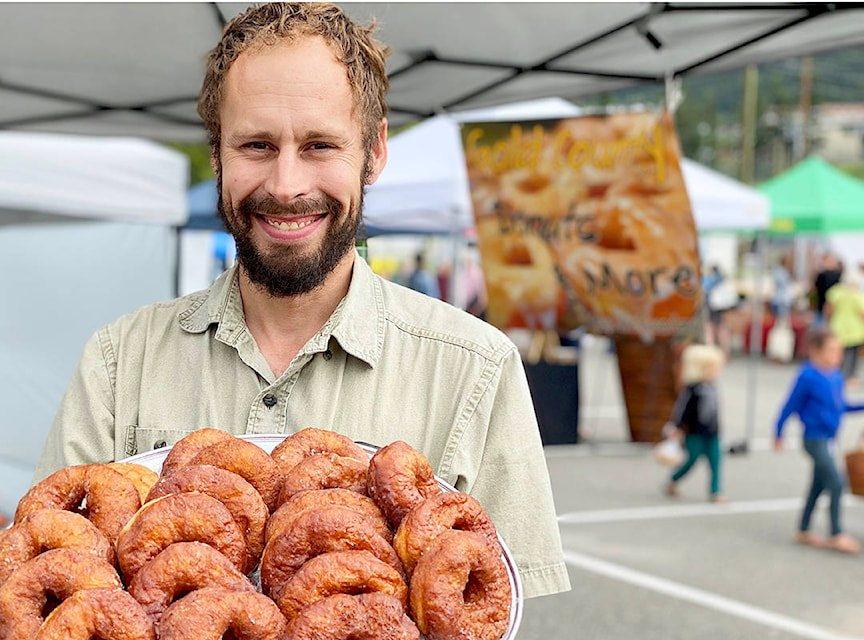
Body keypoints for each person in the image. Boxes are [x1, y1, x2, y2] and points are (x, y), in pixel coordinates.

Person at [33, 2, 569, 599]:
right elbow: (49, 579)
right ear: (217, 154)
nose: (287, 185)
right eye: (257, 145)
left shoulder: (474, 369)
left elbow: (495, 610)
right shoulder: (117, 363)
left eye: (320, 145)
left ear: (374, 151)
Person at [774, 327, 864, 554]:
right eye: (832, 351)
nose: (837, 356)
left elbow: (841, 405)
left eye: (839, 351)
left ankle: (803, 529)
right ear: (815, 351)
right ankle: (836, 533)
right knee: (835, 482)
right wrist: (778, 432)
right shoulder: (807, 376)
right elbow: (790, 404)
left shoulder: (836, 377)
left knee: (818, 486)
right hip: (814, 439)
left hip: (830, 439)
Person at [664, 344, 727, 502]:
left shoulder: (712, 387)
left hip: (712, 432)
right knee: (691, 459)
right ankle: (674, 479)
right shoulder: (692, 390)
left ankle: (715, 491)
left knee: (716, 460)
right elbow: (682, 410)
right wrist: (677, 427)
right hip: (694, 432)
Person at [825, 266, 864, 384]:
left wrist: (828, 321)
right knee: (852, 355)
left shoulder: (835, 291)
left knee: (837, 353)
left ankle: (837, 374)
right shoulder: (858, 294)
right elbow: (862, 313)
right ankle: (850, 376)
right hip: (855, 328)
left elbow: (828, 309)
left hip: (838, 326)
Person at [813, 252, 842, 325]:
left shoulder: (821, 274)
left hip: (822, 304)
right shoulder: (839, 274)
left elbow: (816, 288)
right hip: (834, 305)